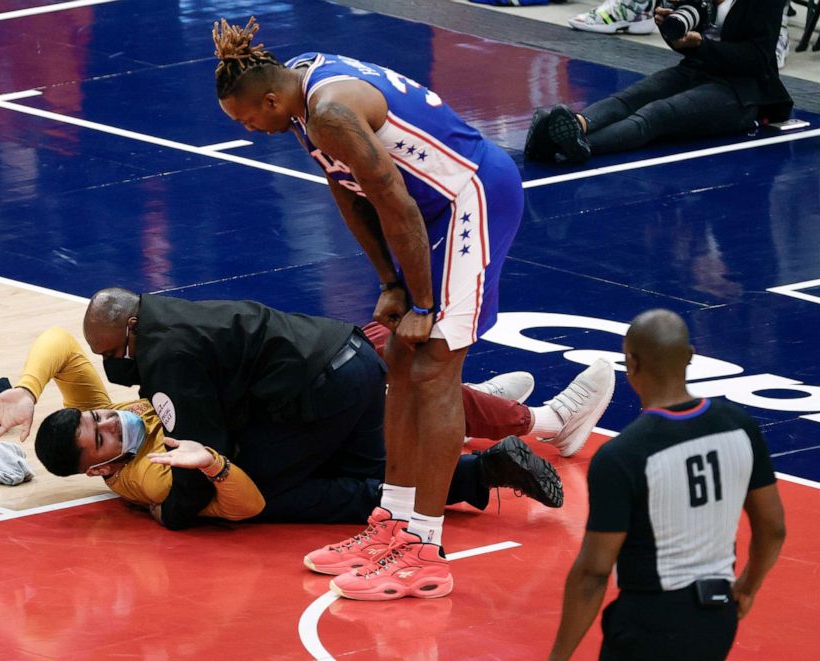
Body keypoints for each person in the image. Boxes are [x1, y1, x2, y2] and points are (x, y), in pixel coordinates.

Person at [211, 17, 615, 600]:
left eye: (249, 119)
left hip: (468, 200)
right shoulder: (301, 96)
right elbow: (350, 195)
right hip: (425, 212)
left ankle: (425, 547)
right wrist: (389, 283)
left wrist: (422, 299)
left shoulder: (328, 112)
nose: (251, 129)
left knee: (433, 369)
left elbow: (394, 200)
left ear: (271, 99)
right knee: (398, 358)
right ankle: (392, 522)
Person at [0, 292, 578, 530]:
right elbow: (216, 465)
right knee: (377, 463)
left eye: (98, 415)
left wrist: (27, 388)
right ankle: (488, 458)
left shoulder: (165, 364)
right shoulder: (137, 466)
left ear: (130, 328)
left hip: (321, 385)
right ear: (98, 470)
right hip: (341, 355)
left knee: (302, 488)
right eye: (101, 433)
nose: (108, 414)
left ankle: (511, 442)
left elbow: (226, 478)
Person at [549, 309, 786, 660]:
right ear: (690, 356)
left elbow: (593, 573)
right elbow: (774, 528)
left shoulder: (623, 455)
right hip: (718, 617)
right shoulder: (740, 426)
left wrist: (558, 656)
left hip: (650, 624)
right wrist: (747, 587)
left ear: (631, 364)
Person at [526, 0, 793, 164]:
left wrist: (701, 46)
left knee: (657, 114)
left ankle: (575, 144)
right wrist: (671, 28)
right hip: (699, 67)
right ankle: (576, 125)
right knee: (630, 97)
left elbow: (759, 58)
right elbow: (685, 38)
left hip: (745, 91)